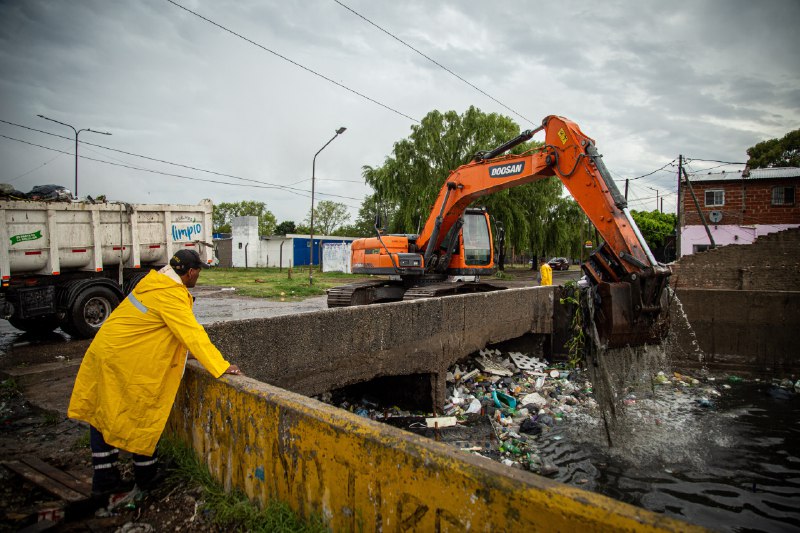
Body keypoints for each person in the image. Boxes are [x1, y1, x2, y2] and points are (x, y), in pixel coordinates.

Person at [68, 249, 242, 498]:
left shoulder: (155, 282)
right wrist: (221, 365)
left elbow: (161, 332)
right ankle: (146, 478)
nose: (199, 277)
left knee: (102, 413)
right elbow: (192, 334)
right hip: (123, 359)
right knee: (144, 412)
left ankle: (106, 481)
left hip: (107, 351)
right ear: (191, 272)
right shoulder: (170, 294)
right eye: (199, 272)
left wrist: (187, 355)